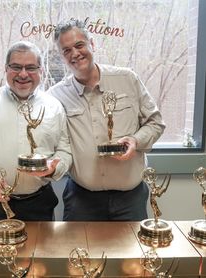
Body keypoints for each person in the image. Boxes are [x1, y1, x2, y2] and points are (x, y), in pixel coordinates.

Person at [48, 18, 166, 221]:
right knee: (80, 253)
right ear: (61, 57)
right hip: (81, 200)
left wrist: (135, 141)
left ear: (92, 44)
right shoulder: (55, 96)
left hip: (130, 199)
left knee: (132, 253)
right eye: (66, 50)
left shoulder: (127, 79)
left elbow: (156, 123)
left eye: (79, 45)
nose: (75, 54)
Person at [0, 41, 72, 221]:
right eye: (16, 67)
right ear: (6, 69)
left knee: (39, 250)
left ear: (41, 70)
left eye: (31, 67)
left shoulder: (54, 107)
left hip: (39, 204)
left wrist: (53, 169)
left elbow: (65, 150)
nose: (23, 74)